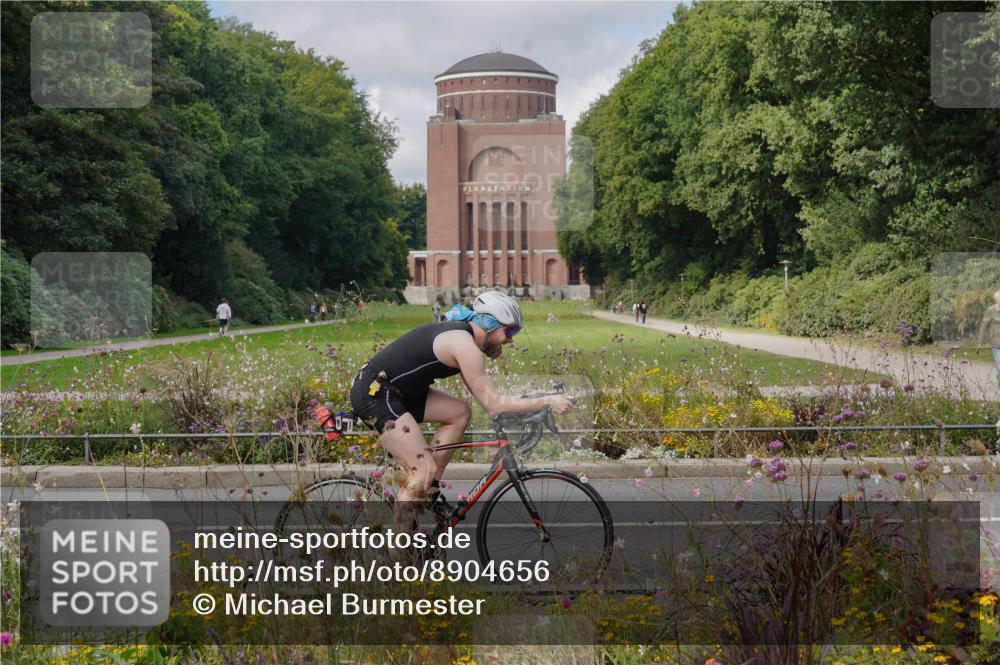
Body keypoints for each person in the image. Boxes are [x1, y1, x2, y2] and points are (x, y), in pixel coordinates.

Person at [346, 292, 574, 509]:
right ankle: (399, 547)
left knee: (459, 413)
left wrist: (532, 399)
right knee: (422, 469)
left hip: (399, 392)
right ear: (491, 325)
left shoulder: (466, 338)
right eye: (510, 330)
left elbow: (488, 395)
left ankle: (427, 489)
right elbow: (492, 405)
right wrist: (546, 401)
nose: (511, 340)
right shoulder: (465, 346)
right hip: (376, 393)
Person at [977, 289, 1000, 386]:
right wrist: (980, 341)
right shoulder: (991, 310)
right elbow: (983, 326)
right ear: (996, 300)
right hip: (995, 343)